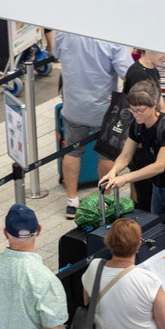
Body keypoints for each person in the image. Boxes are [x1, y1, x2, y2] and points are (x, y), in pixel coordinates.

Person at [50, 31, 134, 218]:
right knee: (106, 155)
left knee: (72, 152)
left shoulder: (65, 32)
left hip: (73, 107)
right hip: (103, 111)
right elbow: (128, 74)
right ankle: (105, 200)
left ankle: (71, 201)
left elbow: (55, 53)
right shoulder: (111, 40)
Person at [102, 81, 165, 245]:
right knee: (155, 235)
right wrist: (113, 171)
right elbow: (125, 155)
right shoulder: (137, 126)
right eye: (132, 109)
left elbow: (159, 166)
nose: (135, 114)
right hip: (158, 189)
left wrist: (125, 178)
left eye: (139, 110)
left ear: (153, 106)